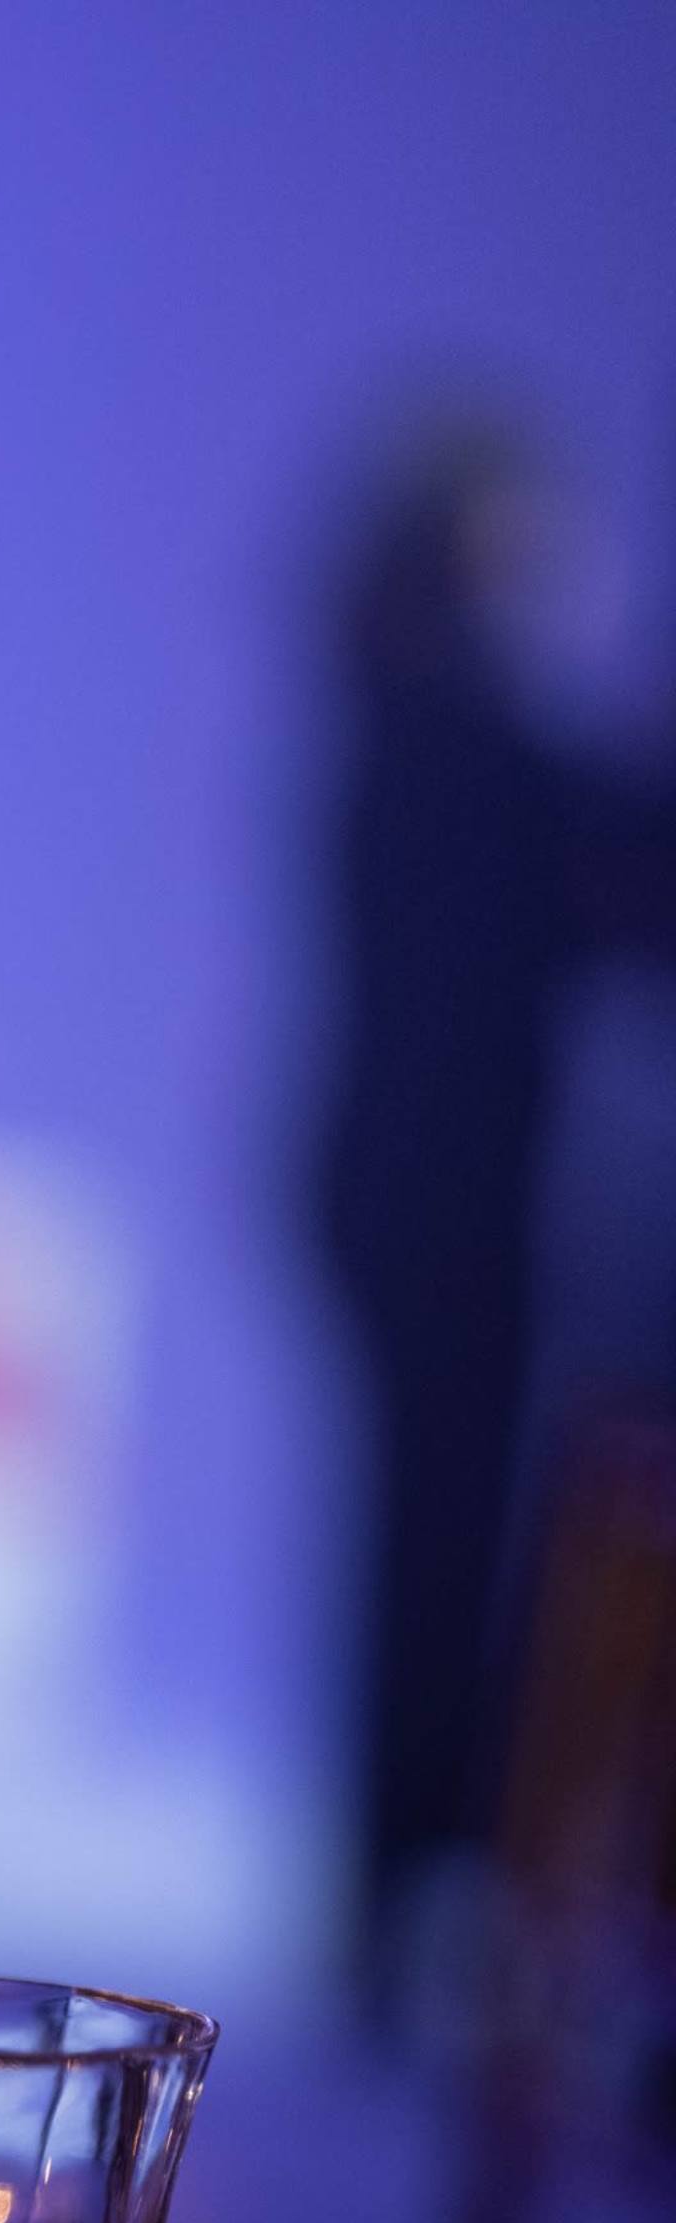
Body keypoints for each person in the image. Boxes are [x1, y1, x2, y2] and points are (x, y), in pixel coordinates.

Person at [308, 414, 676, 2003]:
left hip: (406, 1204)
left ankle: (406, 1899)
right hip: (441, 1217)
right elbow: (619, 874)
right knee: (441, 1562)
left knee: (425, 1554)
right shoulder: (453, 743)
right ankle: (418, 1900)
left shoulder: (400, 728)